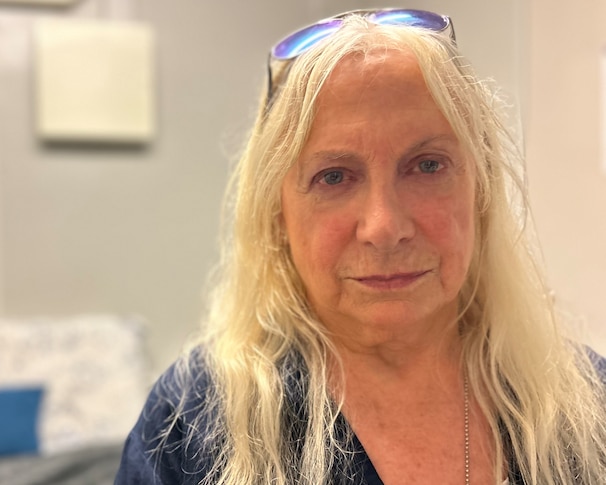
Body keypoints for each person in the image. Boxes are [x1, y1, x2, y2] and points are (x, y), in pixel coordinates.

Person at [115, 9, 606, 485]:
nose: (384, 226)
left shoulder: (585, 403)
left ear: (480, 188)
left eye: (427, 165)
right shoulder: (191, 422)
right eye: (334, 176)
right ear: (278, 214)